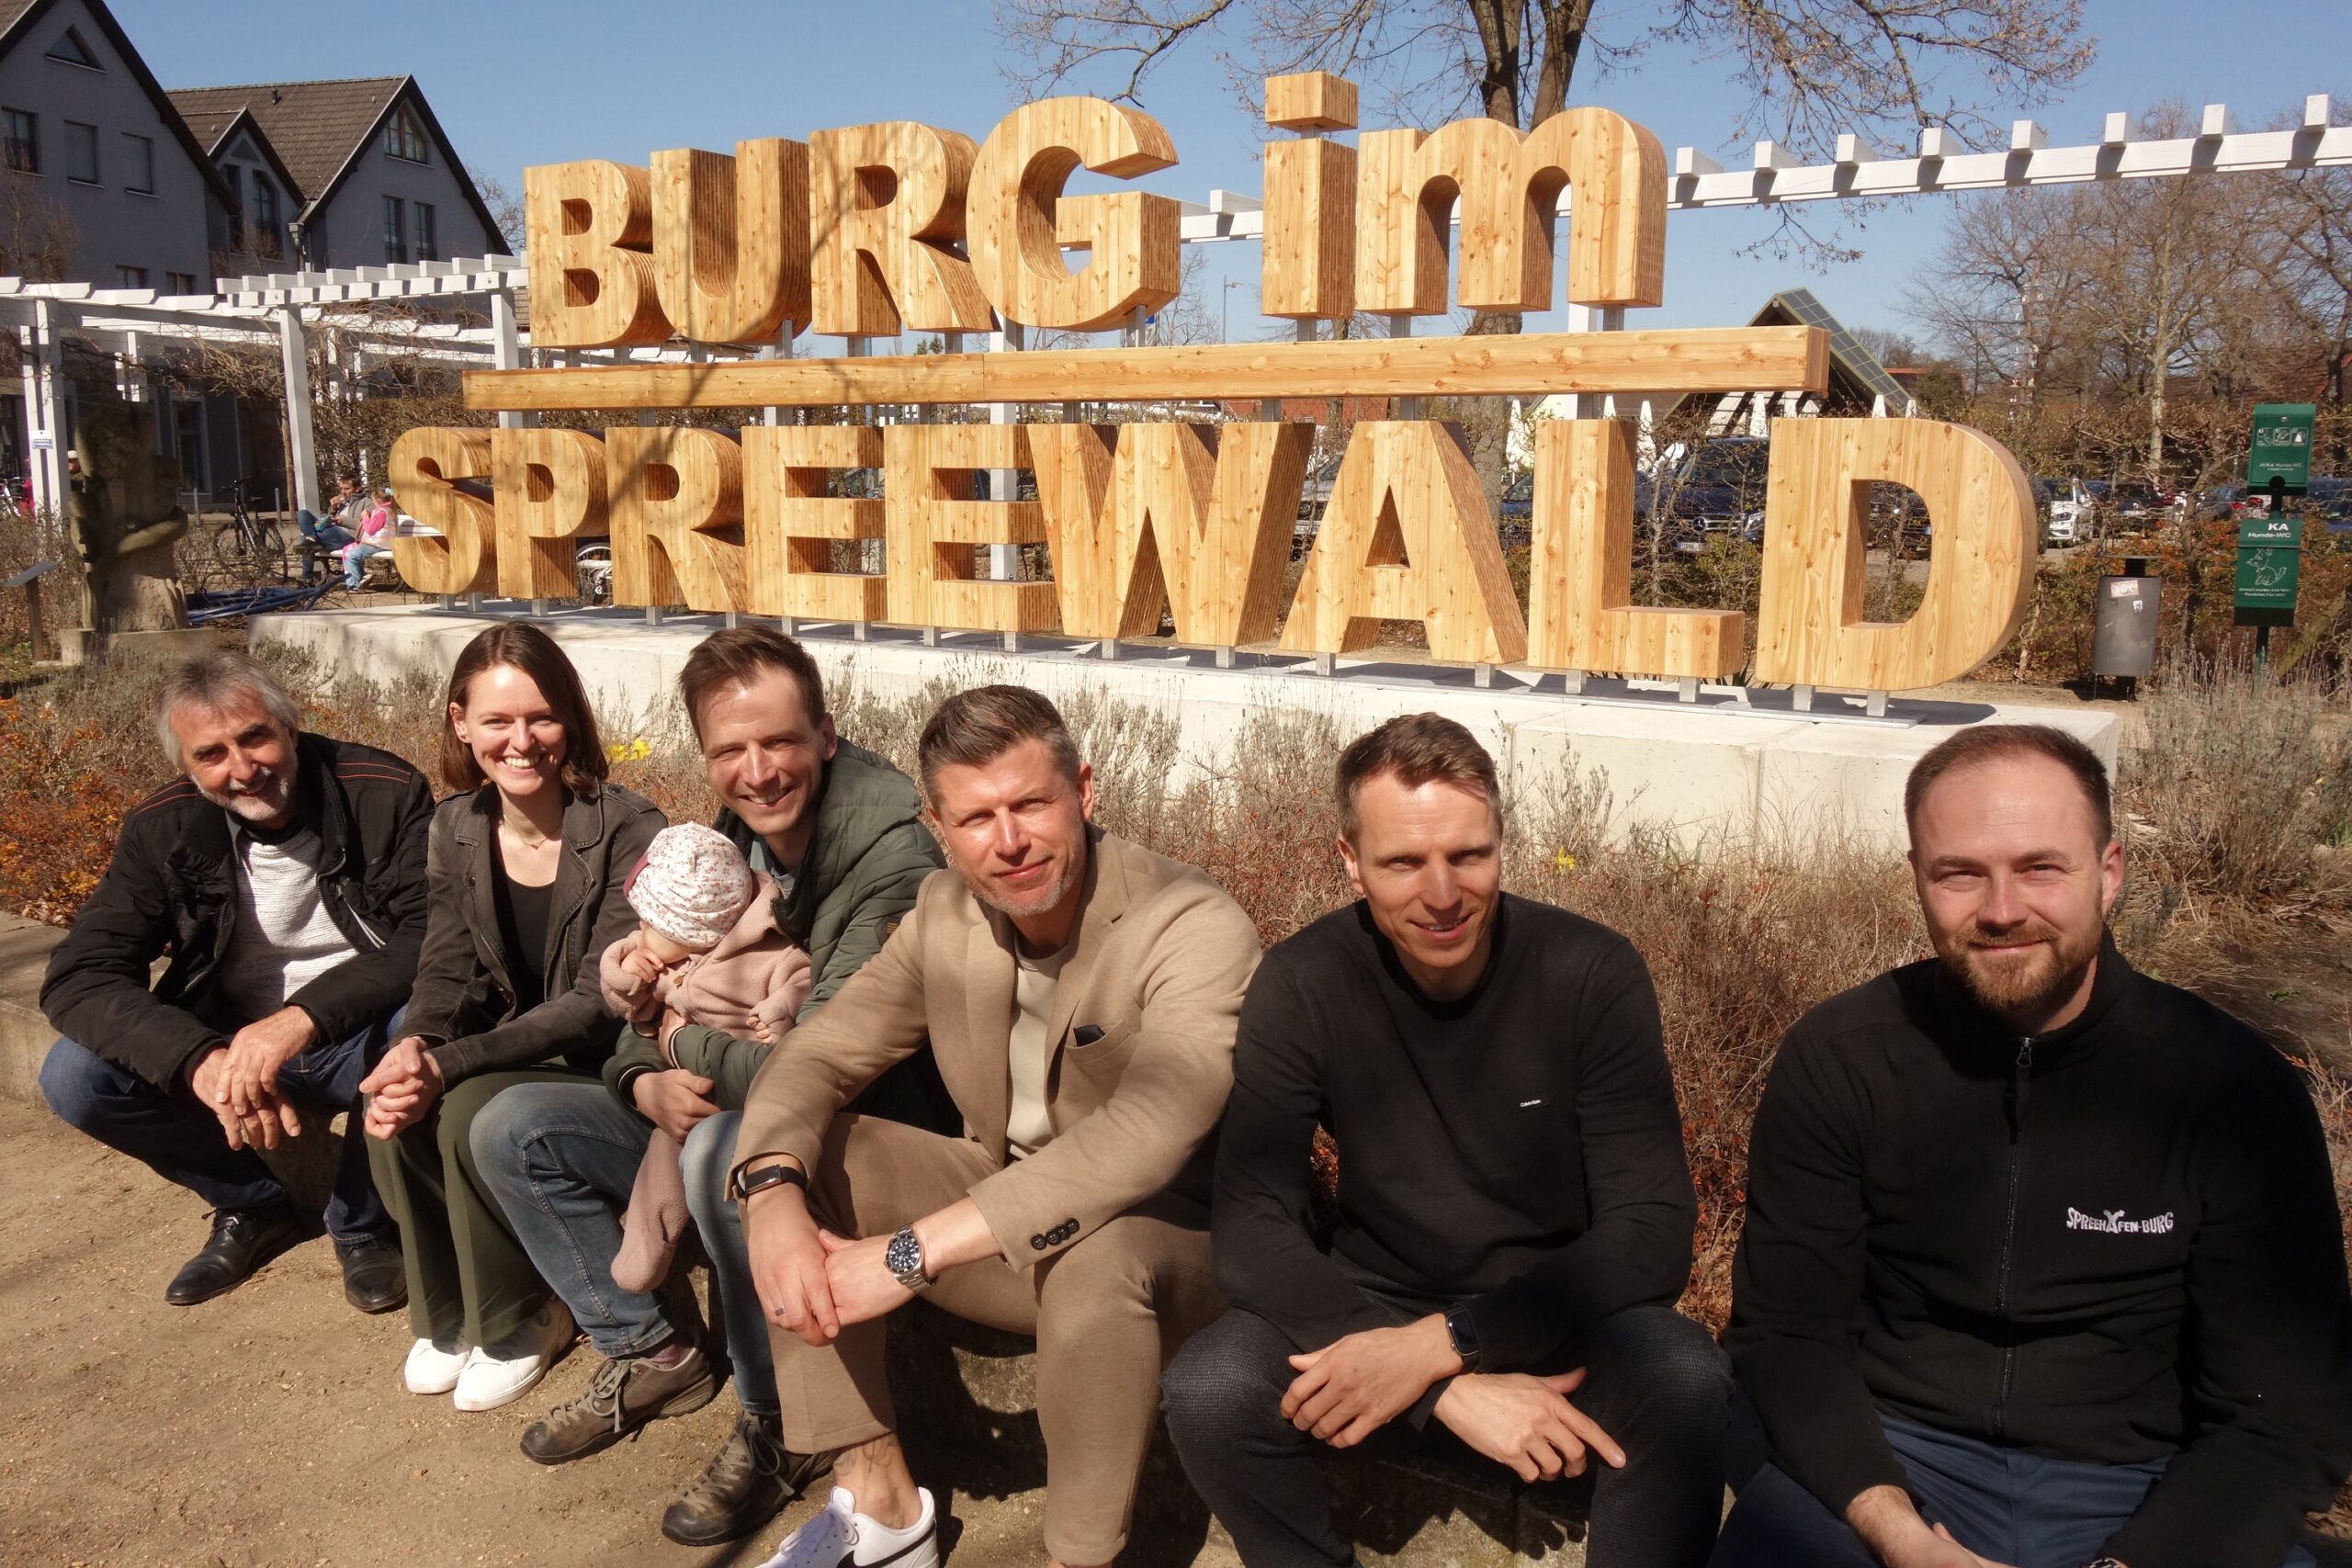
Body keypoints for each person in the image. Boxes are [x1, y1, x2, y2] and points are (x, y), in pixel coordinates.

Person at [1714, 724, 2352, 1568]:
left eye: (2041, 867)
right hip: (1893, 1464)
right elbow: (1789, 1337)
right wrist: (1899, 1533)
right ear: (1917, 878)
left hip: (2144, 1483)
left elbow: (2283, 1407)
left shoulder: (2229, 1090)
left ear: (2110, 872)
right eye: (1961, 873)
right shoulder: (1845, 1058)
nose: (2004, 909)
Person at [1159, 712, 1726, 1568]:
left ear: (1502, 840)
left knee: (1684, 1379)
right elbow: (1251, 1225)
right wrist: (1441, 1388)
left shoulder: (1590, 973)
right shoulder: (1305, 980)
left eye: (1468, 855)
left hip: (1556, 1307)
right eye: (1402, 862)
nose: (1442, 893)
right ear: (1349, 859)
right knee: (1208, 1389)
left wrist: (1442, 1348)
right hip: (1375, 1299)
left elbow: (1651, 1227)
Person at [737, 683, 1260, 1568]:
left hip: (1175, 1250)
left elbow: (1151, 1129)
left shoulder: (1191, 922)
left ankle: (1079, 1557)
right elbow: (818, 1053)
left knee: (1100, 1261)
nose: (1009, 841)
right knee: (815, 1151)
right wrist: (771, 1193)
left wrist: (907, 1253)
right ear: (937, 824)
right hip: (1006, 1236)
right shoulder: (945, 913)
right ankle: (881, 1498)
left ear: (1084, 792)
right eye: (977, 818)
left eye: (1031, 804)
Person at [469, 625, 944, 1548]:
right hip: (708, 1108)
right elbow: (643, 1003)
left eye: (779, 743)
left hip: (864, 1134)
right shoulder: (732, 844)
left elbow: (816, 1066)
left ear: (826, 736)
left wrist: (677, 1046)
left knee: (731, 1150)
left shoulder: (892, 869)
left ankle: (781, 1425)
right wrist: (645, 1076)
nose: (758, 770)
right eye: (731, 750)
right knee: (514, 1127)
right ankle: (651, 1351)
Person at [39, 649, 430, 1313]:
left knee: (415, 1034)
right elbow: (81, 974)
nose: (243, 769)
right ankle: (253, 1203)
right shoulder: (162, 827)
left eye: (255, 737)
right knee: (76, 1077)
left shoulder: (381, 792)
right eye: (212, 754)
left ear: (290, 727)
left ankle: (365, 1224)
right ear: (185, 767)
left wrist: (299, 1018)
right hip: (229, 1035)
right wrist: (196, 1058)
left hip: (354, 1032)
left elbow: (432, 938)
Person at [359, 621, 665, 1415]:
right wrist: (417, 1045)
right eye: (497, 720)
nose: (521, 741)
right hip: (525, 1046)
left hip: (608, 1057)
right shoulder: (456, 827)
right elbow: (445, 966)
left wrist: (451, 1063)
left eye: (542, 717)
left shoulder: (629, 828)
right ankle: (449, 1312)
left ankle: (524, 1315)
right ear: (462, 722)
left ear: (571, 719)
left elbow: (595, 1004)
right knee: (391, 1101)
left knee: (462, 1103)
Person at [598, 820, 811, 1292]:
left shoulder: (765, 952)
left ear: (692, 930)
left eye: (649, 924)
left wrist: (782, 1009)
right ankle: (644, 1243)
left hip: (744, 1090)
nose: (638, 931)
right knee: (662, 1156)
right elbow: (628, 1007)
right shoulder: (663, 958)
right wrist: (626, 974)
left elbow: (803, 978)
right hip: (689, 1093)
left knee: (700, 1149)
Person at [341, 487, 396, 591]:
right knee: (347, 549)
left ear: (377, 500)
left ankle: (354, 584)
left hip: (377, 544)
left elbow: (371, 530)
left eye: (373, 500)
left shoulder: (381, 513)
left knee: (350, 556)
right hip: (381, 543)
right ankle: (362, 577)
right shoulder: (389, 510)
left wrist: (365, 517)